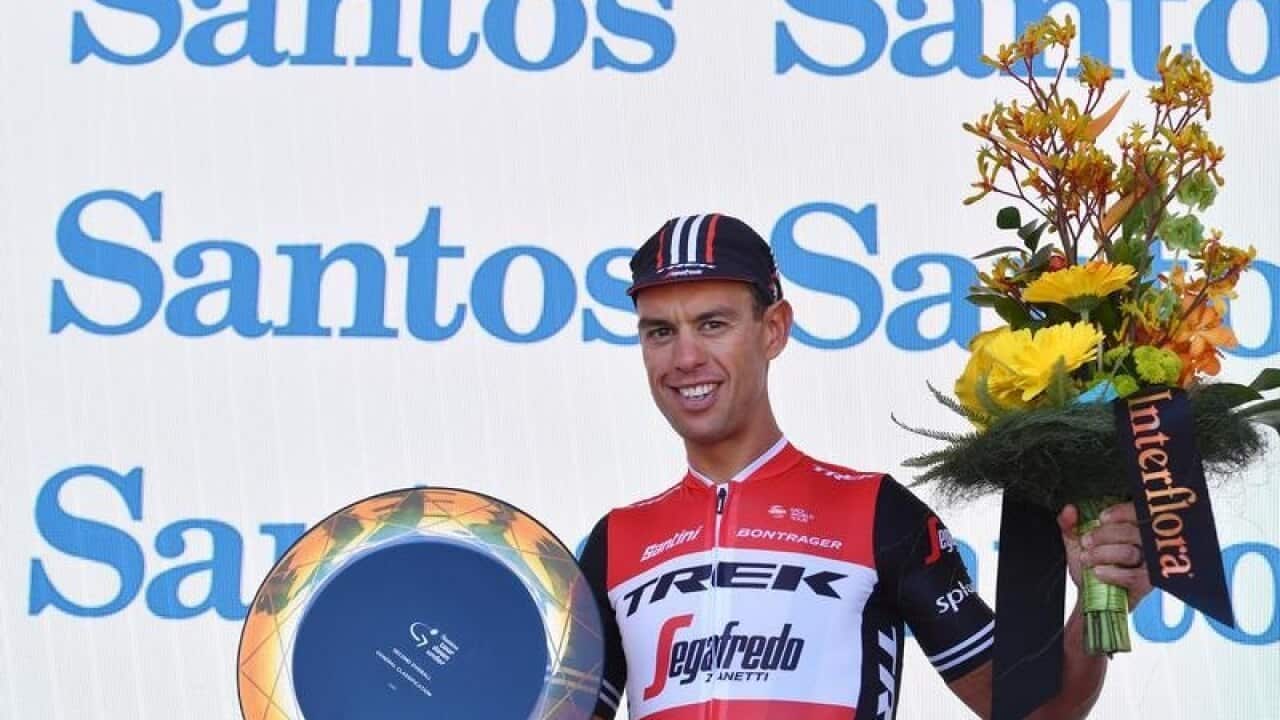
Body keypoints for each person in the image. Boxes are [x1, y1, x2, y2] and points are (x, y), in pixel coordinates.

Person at [578, 213, 1153, 720]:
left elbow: (1035, 714)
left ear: (774, 329)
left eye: (712, 324)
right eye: (660, 332)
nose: (684, 358)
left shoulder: (875, 513)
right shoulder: (616, 543)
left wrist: (1096, 607)